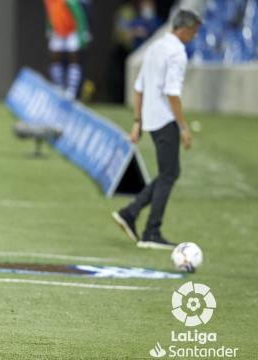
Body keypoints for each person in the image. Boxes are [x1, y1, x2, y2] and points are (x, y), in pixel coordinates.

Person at [112, 9, 201, 250]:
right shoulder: (177, 53)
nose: (194, 35)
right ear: (184, 28)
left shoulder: (155, 47)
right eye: (194, 30)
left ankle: (130, 213)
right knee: (169, 174)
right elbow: (172, 92)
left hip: (151, 120)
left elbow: (139, 87)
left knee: (168, 173)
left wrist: (137, 121)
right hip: (165, 119)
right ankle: (151, 231)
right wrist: (183, 127)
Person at [43, 0, 90, 100]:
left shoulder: (69, 1)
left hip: (72, 32)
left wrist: (83, 31)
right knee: (54, 57)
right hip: (58, 32)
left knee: (74, 58)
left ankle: (72, 91)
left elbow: (79, 16)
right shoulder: (48, 1)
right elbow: (50, 13)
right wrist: (49, 27)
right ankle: (58, 87)